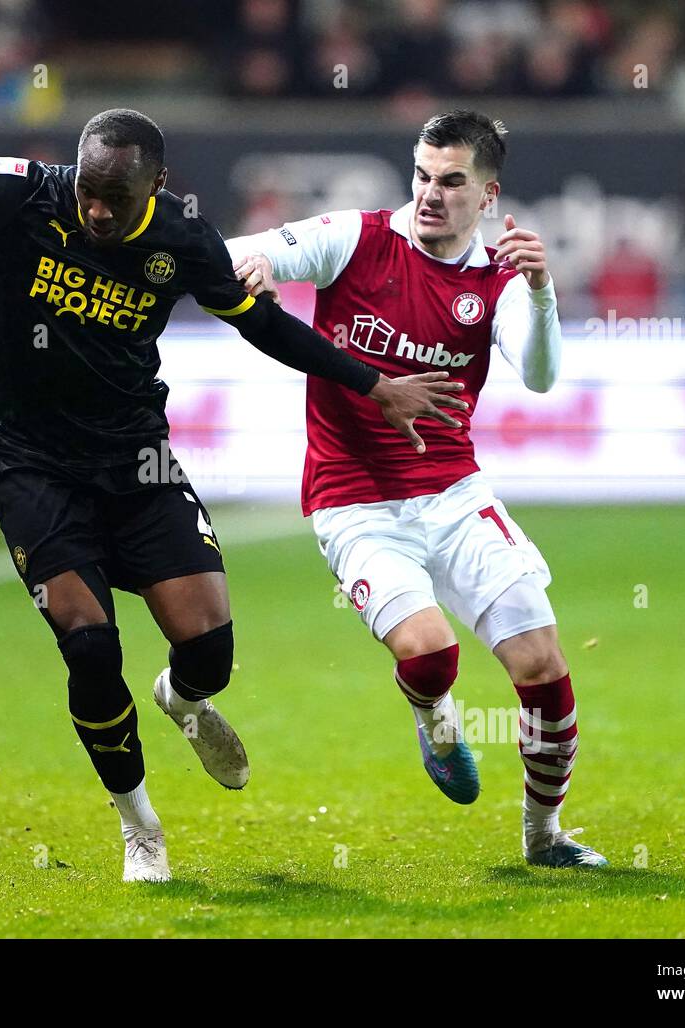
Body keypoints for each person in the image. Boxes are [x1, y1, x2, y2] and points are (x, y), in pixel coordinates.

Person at [0, 66, 464, 881]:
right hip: (32, 464)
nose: (95, 210)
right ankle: (140, 827)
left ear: (156, 186)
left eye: (115, 198)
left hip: (136, 460)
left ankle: (184, 699)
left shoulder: (183, 241)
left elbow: (265, 328)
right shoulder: (28, 195)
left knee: (211, 650)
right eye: (89, 192)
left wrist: (373, 383)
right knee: (91, 647)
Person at [228, 109, 607, 868]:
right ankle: (433, 717)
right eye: (423, 176)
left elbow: (537, 376)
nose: (431, 194)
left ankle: (545, 835)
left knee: (542, 664)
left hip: (454, 492)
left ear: (488, 193)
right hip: (353, 499)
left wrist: (539, 289)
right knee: (431, 655)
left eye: (452, 181)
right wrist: (252, 266)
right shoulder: (357, 238)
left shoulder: (498, 279)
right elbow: (246, 248)